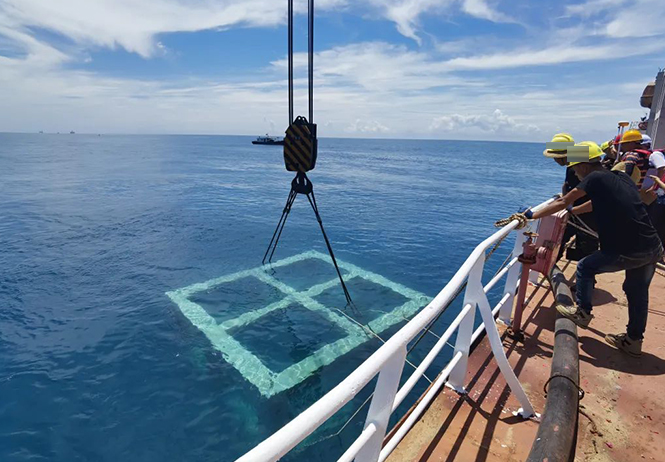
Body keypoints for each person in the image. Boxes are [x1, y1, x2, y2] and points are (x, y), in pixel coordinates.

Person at [525, 141, 663, 356]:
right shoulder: (620, 178)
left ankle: (582, 312)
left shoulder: (594, 177)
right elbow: (593, 204)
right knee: (637, 293)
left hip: (627, 249)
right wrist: (573, 212)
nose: (574, 172)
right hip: (652, 246)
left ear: (584, 165)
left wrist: (530, 215)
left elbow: (562, 202)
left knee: (585, 267)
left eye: (575, 167)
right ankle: (633, 340)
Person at [543, 133, 598, 259]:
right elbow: (568, 184)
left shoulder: (579, 167)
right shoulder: (576, 162)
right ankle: (554, 264)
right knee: (561, 239)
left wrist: (571, 208)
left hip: (587, 215)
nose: (554, 160)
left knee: (587, 251)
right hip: (577, 213)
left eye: (556, 157)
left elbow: (593, 196)